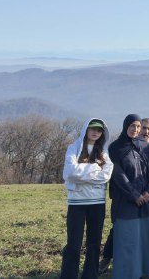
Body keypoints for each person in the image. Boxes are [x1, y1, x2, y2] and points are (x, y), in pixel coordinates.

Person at [101, 117, 149, 273]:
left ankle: (146, 271)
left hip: (147, 201)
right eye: (132, 126)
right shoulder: (115, 147)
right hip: (126, 202)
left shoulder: (145, 146)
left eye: (138, 126)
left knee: (147, 239)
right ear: (125, 126)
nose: (135, 129)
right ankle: (129, 273)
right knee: (128, 240)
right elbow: (118, 175)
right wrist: (134, 195)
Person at [60, 119, 113, 279]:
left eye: (99, 130)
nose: (96, 132)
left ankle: (90, 275)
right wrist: (95, 168)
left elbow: (106, 175)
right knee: (73, 244)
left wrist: (82, 173)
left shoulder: (104, 152)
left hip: (97, 203)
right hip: (76, 203)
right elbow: (70, 173)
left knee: (94, 244)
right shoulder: (73, 148)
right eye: (93, 128)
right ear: (85, 129)